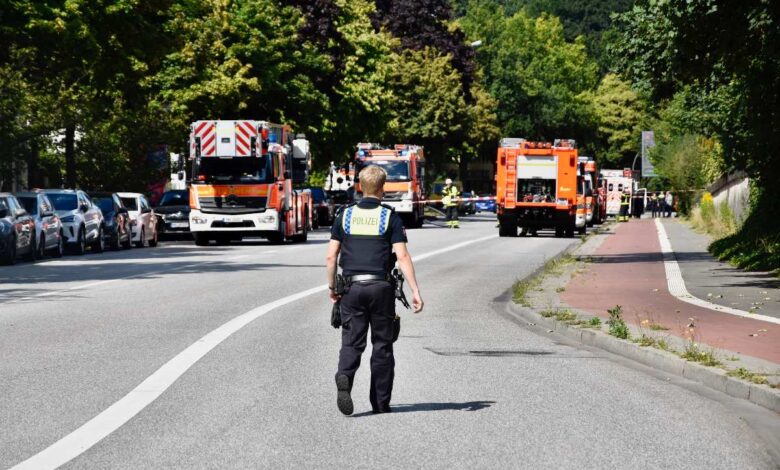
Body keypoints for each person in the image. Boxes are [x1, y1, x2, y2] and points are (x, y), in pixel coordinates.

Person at [326, 165, 424, 416]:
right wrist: (415, 290)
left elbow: (331, 257)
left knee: (352, 341)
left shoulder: (344, 216)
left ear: (360, 187)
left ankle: (345, 374)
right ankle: (380, 404)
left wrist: (332, 287)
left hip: (352, 287)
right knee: (382, 345)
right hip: (381, 288)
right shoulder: (389, 216)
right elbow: (402, 256)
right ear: (383, 189)